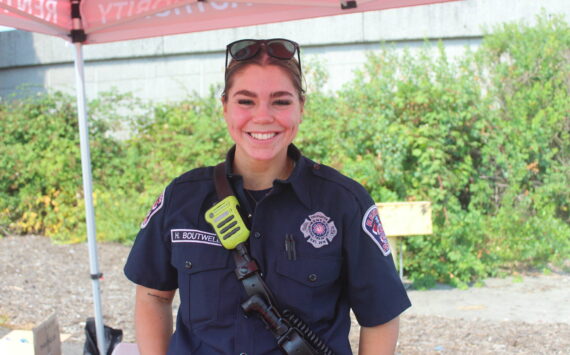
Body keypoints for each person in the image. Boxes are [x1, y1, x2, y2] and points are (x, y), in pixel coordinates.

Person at [124, 38, 411, 355]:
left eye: (281, 101)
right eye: (245, 101)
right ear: (225, 107)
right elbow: (153, 295)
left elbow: (380, 316)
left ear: (301, 107)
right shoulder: (182, 198)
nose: (263, 117)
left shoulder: (344, 202)